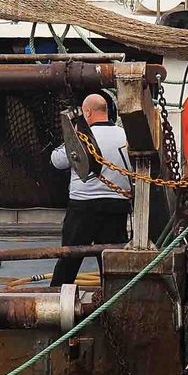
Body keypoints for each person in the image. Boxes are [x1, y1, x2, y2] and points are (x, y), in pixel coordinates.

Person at [48, 93, 133, 289]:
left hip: (83, 207)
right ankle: (114, 299)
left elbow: (56, 160)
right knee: (112, 260)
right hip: (116, 206)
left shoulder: (81, 137)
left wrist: (71, 136)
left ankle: (56, 298)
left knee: (69, 258)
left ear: (87, 112)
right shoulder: (125, 135)